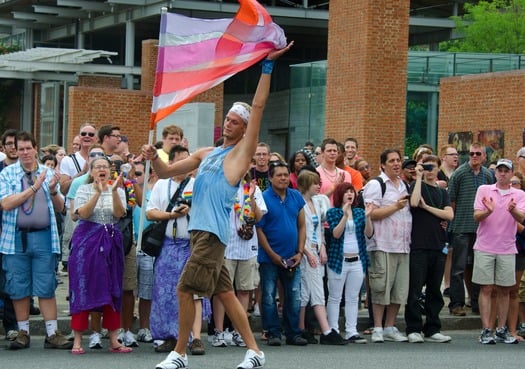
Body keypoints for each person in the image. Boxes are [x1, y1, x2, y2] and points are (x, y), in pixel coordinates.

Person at [143, 42, 293, 369]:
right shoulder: (205, 154)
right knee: (224, 293)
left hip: (211, 235)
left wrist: (267, 67)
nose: (230, 123)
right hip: (199, 234)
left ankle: (179, 353)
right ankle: (254, 351)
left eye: (236, 121)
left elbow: (258, 106)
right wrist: (156, 158)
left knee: (185, 289)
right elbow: (166, 172)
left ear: (243, 131)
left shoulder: (240, 154)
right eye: (228, 118)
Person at [0, 131, 71, 350]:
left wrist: (51, 191)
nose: (24, 152)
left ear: (34, 148)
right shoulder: (7, 173)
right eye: (19, 149)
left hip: (44, 237)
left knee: (46, 285)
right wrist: (33, 187)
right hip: (16, 238)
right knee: (18, 286)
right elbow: (6, 203)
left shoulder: (48, 172)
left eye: (27, 148)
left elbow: (61, 208)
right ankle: (23, 332)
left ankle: (52, 333)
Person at [147, 145, 210, 355]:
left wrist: (191, 210)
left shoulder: (197, 184)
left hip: (192, 244)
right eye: (182, 160)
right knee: (164, 292)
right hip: (168, 244)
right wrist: (171, 216)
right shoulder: (161, 185)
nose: (187, 164)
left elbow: (207, 210)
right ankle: (168, 335)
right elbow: (150, 213)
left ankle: (197, 337)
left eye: (189, 160)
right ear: (172, 163)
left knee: (194, 292)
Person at [68, 156, 131, 354]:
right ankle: (77, 339)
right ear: (92, 171)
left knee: (113, 286)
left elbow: (120, 213)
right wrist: (98, 193)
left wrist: (111, 192)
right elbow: (83, 214)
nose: (102, 169)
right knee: (83, 285)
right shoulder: (83, 190)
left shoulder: (118, 190)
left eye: (105, 166)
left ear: (111, 171)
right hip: (87, 241)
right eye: (98, 167)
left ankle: (114, 339)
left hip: (111, 240)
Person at [473, 159, 525, 344]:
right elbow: (477, 216)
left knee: (505, 289)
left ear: (511, 174)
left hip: (507, 247)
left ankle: (502, 329)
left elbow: (522, 218)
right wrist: (488, 211)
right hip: (485, 246)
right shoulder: (484, 190)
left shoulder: (519, 194)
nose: (502, 173)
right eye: (500, 170)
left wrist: (512, 211)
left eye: (506, 171)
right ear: (495, 173)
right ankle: (486, 329)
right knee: (486, 288)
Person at [212, 172, 266, 348]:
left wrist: (250, 198)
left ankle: (239, 332)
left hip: (247, 247)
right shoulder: (222, 187)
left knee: (244, 290)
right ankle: (218, 332)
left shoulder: (253, 188)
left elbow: (258, 217)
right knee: (222, 290)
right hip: (225, 245)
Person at [363, 148, 412, 343]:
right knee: (380, 288)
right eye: (391, 161)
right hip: (382, 244)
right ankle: (377, 327)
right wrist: (395, 207)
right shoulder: (376, 185)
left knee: (398, 290)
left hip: (403, 245)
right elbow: (371, 213)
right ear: (383, 164)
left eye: (398, 160)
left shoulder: (403, 185)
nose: (396, 164)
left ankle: (390, 326)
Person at [256, 161, 307, 347]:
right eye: (279, 175)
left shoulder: (296, 196)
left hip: (293, 256)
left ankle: (293, 333)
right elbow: (259, 229)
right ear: (270, 178)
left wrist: (300, 252)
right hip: (269, 258)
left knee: (294, 296)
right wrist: (271, 254)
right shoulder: (263, 198)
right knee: (269, 296)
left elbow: (302, 225)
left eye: (286, 174)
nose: (284, 178)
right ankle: (273, 333)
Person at [405, 155, 453, 343]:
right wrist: (418, 177)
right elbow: (415, 202)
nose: (429, 170)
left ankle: (433, 328)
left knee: (434, 290)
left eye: (433, 167)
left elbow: (449, 214)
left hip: (438, 245)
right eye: (426, 166)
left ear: (438, 168)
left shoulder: (442, 193)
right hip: (418, 245)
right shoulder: (417, 185)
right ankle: (413, 328)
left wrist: (428, 208)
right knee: (415, 290)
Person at [448, 143, 494, 317]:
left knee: (478, 267)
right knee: (458, 267)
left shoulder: (488, 175)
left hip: (482, 228)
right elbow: (451, 200)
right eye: (471, 153)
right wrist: (452, 220)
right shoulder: (459, 173)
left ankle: (476, 303)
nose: (474, 156)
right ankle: (456, 303)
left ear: (484, 156)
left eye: (478, 153)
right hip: (461, 226)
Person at [326, 182, 372, 343]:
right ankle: (333, 330)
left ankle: (351, 331)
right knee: (335, 297)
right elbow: (336, 234)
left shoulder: (360, 212)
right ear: (340, 195)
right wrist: (345, 216)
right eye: (346, 192)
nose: (350, 194)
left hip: (357, 260)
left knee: (353, 297)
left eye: (352, 191)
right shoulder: (333, 212)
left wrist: (368, 217)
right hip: (338, 260)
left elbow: (369, 233)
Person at [317, 138, 351, 204]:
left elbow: (348, 199)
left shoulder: (345, 174)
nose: (332, 153)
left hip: (341, 212)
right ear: (322, 153)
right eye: (329, 151)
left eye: (335, 151)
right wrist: (334, 187)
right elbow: (316, 200)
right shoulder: (315, 173)